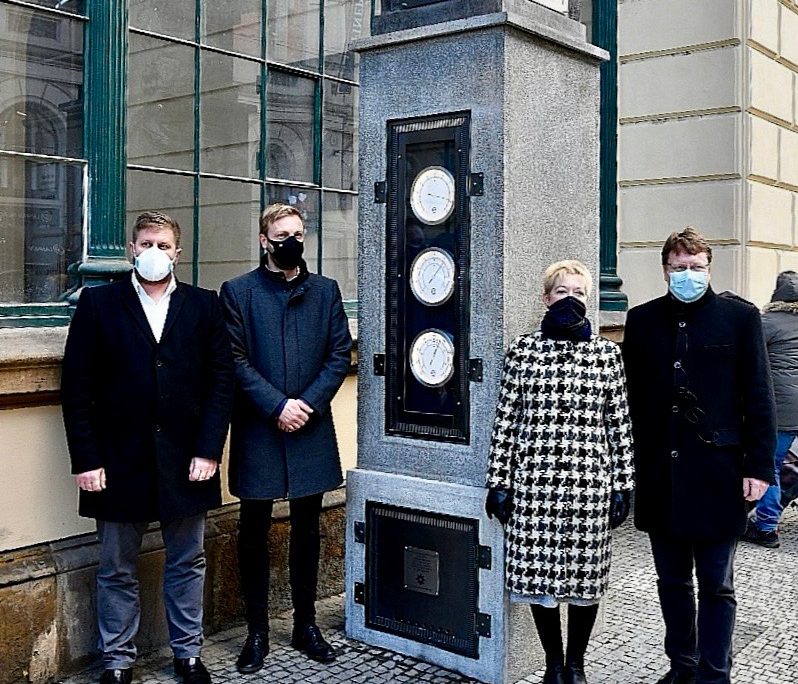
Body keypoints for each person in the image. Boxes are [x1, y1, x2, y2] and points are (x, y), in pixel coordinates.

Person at [61, 212, 234, 684]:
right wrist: (87, 459)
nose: (154, 251)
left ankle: (188, 655)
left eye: (163, 244)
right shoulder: (99, 304)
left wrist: (209, 450)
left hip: (187, 458)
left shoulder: (204, 305)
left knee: (188, 560)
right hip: (117, 461)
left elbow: (221, 384)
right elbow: (77, 389)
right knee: (116, 566)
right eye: (145, 243)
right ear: (132, 249)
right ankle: (117, 661)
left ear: (178, 252)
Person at [622, 226, 776, 684]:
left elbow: (759, 397)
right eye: (679, 267)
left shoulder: (740, 317)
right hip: (661, 475)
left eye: (696, 267)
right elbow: (629, 397)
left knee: (716, 583)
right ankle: (682, 666)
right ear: (665, 270)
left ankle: (714, 673)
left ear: (709, 268)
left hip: (719, 475)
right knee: (671, 582)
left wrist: (759, 467)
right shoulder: (643, 319)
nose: (687, 274)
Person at [485, 260, 634, 684]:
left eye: (579, 293)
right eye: (563, 292)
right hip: (534, 486)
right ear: (546, 297)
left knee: (587, 580)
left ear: (590, 301)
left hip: (591, 485)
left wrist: (624, 485)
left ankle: (576, 664)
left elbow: (619, 425)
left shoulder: (607, 355)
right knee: (539, 579)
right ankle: (553, 662)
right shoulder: (523, 350)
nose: (571, 299)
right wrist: (499, 481)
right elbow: (506, 421)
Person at [220, 203, 352, 674]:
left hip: (310, 427)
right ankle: (256, 631)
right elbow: (233, 359)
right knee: (252, 530)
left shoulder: (326, 291)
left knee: (309, 529)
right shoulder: (237, 293)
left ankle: (305, 623)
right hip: (260, 425)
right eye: (281, 234)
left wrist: (307, 405)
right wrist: (277, 405)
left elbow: (339, 354)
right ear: (264, 240)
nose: (291, 241)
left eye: (297, 233)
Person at [742, 270, 798, 548]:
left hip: (784, 411)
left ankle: (766, 527)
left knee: (771, 465)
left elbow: (747, 356)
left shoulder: (766, 323)